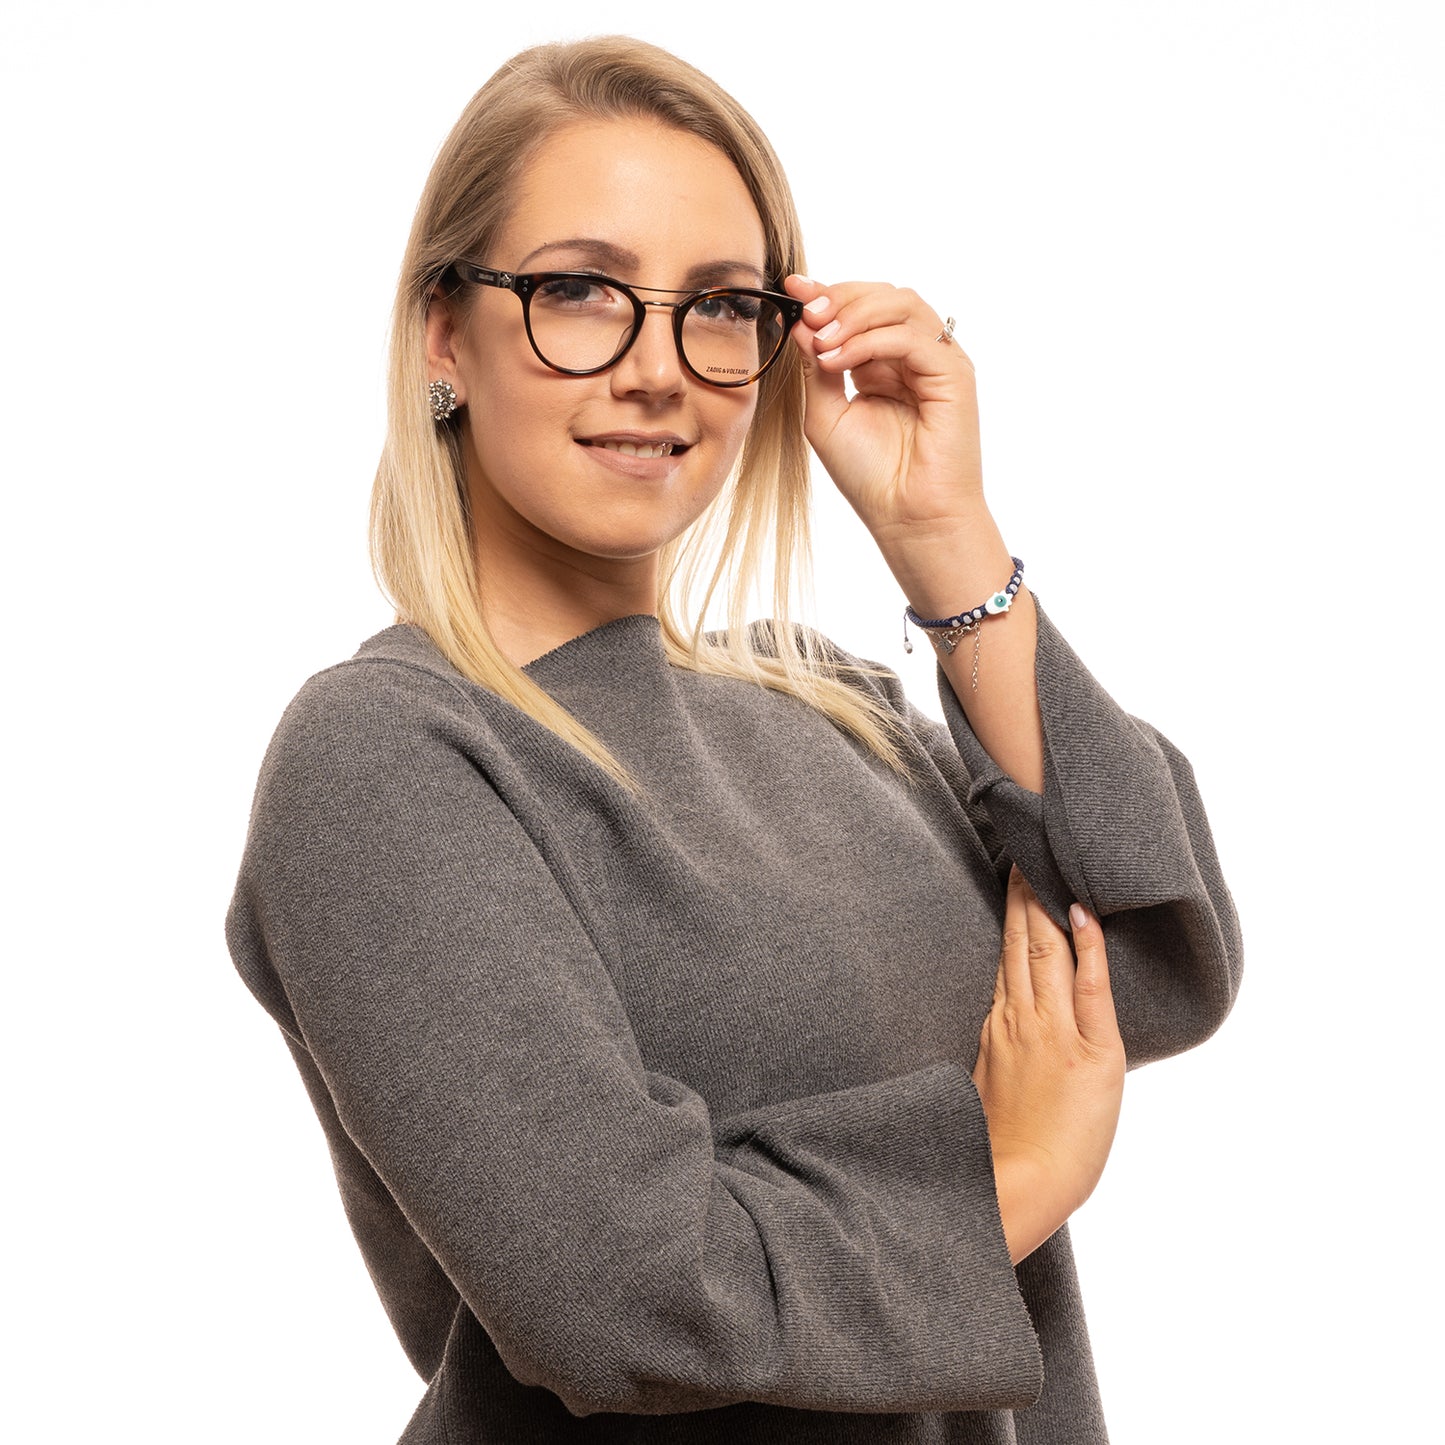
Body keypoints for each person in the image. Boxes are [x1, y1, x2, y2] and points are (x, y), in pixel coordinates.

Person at [225, 35, 1242, 1444]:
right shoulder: (388, 757)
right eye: (578, 292)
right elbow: (615, 1296)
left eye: (716, 306)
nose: (656, 370)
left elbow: (1148, 954)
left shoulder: (828, 707)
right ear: (442, 334)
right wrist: (1009, 1171)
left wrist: (943, 540)